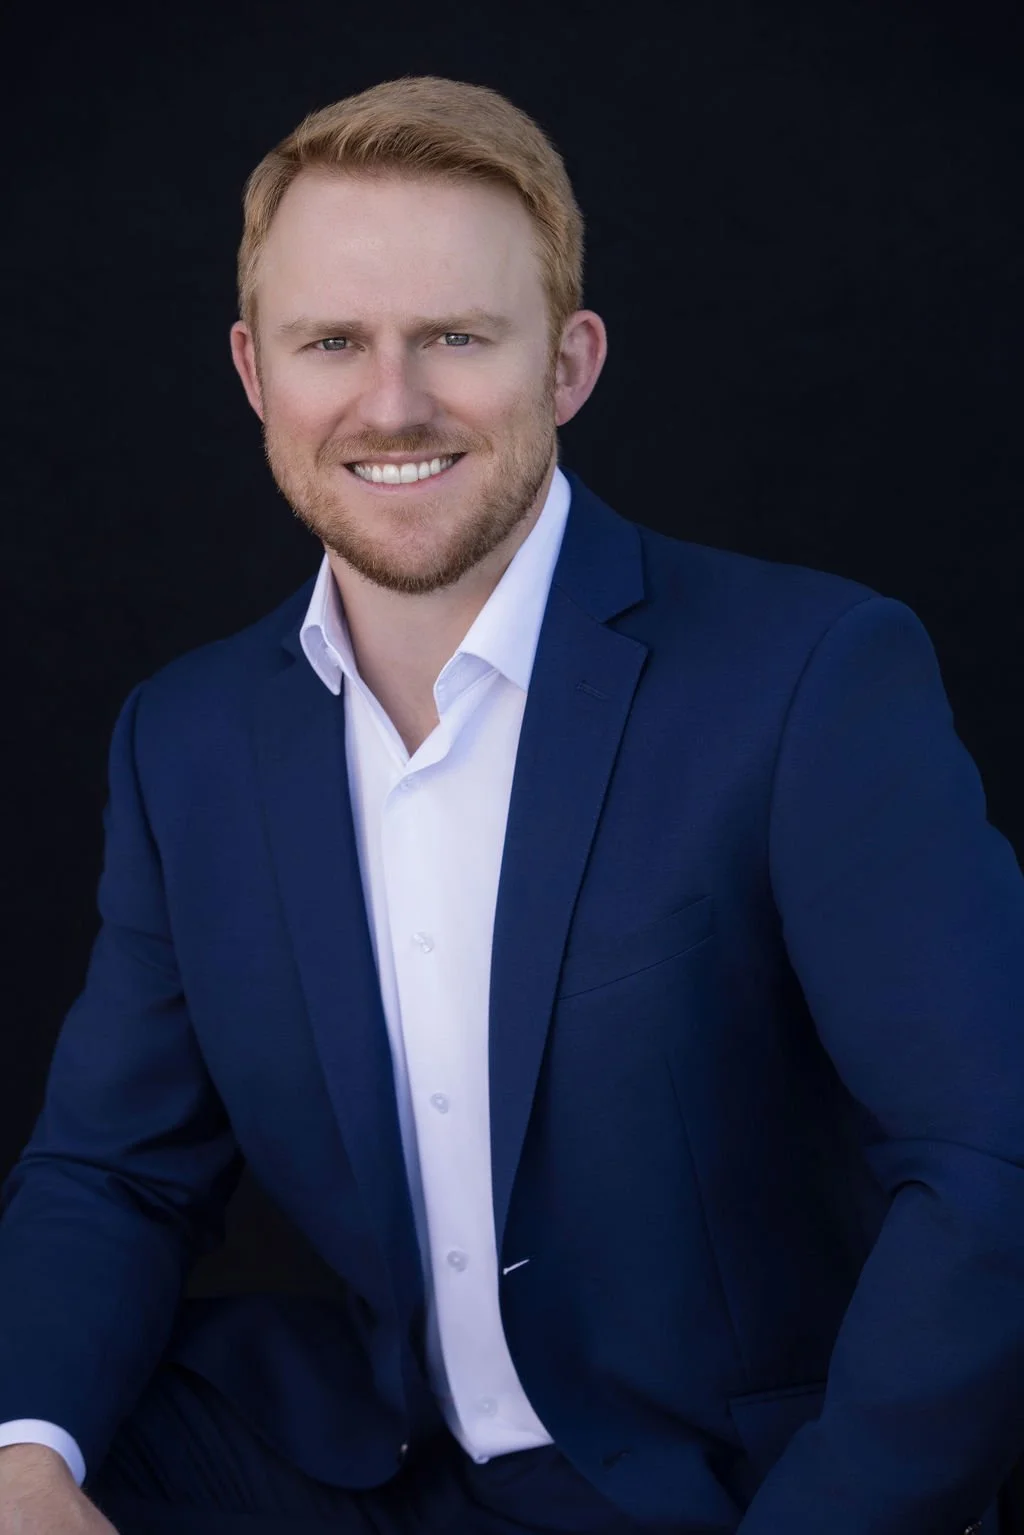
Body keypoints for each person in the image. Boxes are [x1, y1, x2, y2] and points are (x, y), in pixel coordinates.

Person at [0, 72, 1022, 1535]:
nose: (392, 401)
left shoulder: (811, 677)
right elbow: (114, 1173)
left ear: (569, 364)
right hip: (386, 1461)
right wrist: (23, 1457)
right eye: (332, 342)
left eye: (457, 338)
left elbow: (993, 1164)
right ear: (254, 372)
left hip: (720, 1490)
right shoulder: (188, 739)